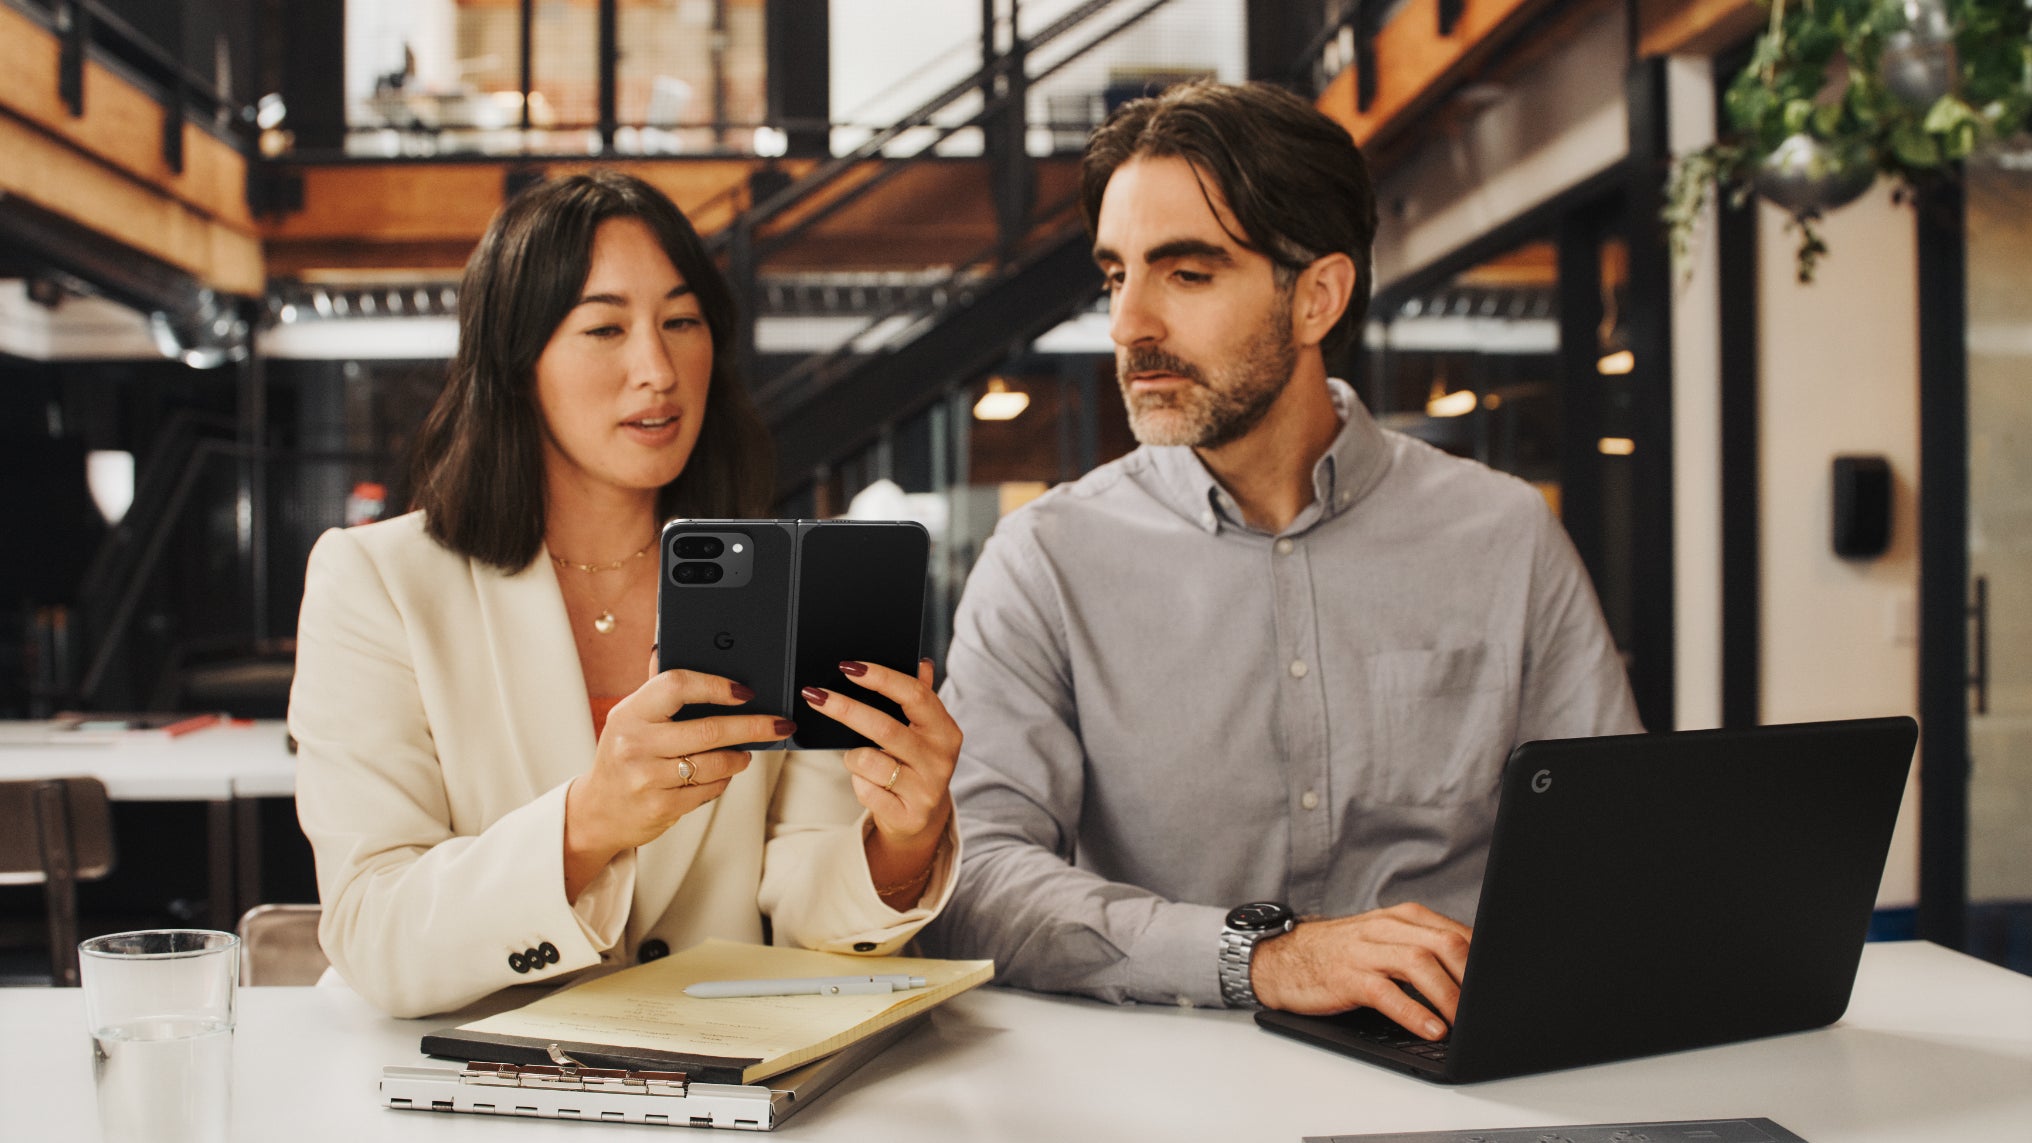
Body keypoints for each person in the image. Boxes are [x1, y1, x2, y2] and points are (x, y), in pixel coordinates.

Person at [918, 81, 1641, 1040]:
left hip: (1460, 1067)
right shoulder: (1046, 559)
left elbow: (1612, 851)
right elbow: (978, 879)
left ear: (1317, 297)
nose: (1130, 324)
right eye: (1115, 275)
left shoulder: (1504, 535)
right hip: (1172, 1081)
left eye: (1186, 274)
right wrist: (1260, 959)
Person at [289, 171, 961, 1018]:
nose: (658, 368)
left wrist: (901, 840)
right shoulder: (380, 580)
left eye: (683, 322)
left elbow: (801, 902)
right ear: (516, 358)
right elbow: (372, 927)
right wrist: (587, 824)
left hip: (726, 1082)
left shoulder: (783, 579)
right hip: (468, 1084)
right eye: (605, 327)